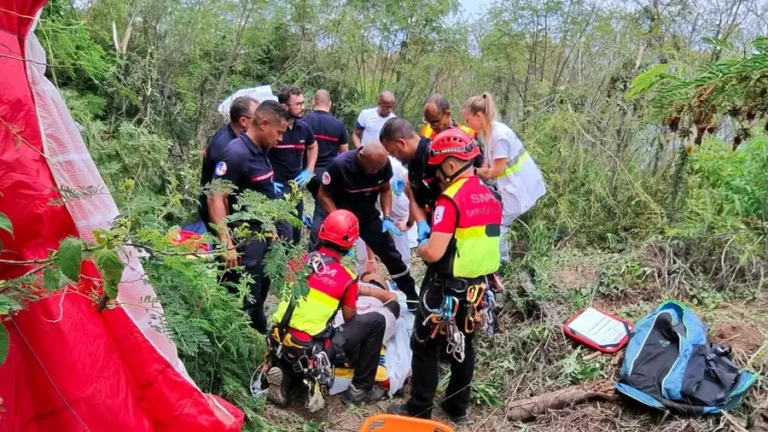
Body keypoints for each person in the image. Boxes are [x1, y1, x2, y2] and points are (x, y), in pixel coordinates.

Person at [388, 129, 502, 424]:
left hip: (444, 287)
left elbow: (435, 252)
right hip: (477, 287)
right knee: (464, 345)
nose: (437, 174)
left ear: (450, 165)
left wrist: (422, 247)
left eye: (438, 167)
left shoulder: (450, 199)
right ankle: (457, 408)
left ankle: (420, 407)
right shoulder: (491, 193)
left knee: (425, 345)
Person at [267, 209, 388, 406]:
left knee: (302, 333)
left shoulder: (297, 261)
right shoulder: (347, 278)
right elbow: (350, 318)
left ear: (322, 232)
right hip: (310, 348)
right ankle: (360, 390)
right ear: (350, 243)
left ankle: (286, 377)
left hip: (279, 338)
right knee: (375, 321)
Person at [207, 100, 290, 334]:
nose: (280, 139)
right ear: (264, 124)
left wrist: (270, 226)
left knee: (259, 294)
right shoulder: (236, 153)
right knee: (243, 302)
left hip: (261, 239)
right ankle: (236, 350)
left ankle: (255, 344)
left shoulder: (261, 150)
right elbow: (215, 197)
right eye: (279, 132)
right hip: (242, 242)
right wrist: (226, 244)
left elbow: (261, 192)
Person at [316, 141, 419, 307]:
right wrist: (337, 219)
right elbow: (323, 195)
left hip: (368, 217)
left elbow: (385, 189)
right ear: (361, 156)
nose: (375, 172)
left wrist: (386, 217)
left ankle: (412, 296)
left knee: (391, 255)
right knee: (325, 256)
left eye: (379, 168)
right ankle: (320, 296)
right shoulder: (340, 165)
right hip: (341, 217)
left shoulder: (383, 166)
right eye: (372, 168)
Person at [462, 92, 546, 261]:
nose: (467, 124)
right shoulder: (489, 132)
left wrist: (473, 172)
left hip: (519, 186)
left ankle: (503, 261)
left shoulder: (499, 136)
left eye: (468, 120)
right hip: (512, 185)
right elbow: (488, 162)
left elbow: (497, 170)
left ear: (479, 116)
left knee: (497, 224)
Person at [199, 96, 259, 234]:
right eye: (256, 117)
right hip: (220, 211)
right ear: (243, 121)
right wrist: (227, 234)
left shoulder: (238, 138)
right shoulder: (224, 148)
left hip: (236, 207)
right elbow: (219, 196)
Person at [272, 85, 319, 243]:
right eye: (298, 104)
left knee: (296, 234)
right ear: (284, 106)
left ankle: (291, 267)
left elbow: (313, 146)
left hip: (295, 188)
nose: (303, 107)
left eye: (303, 103)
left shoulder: (304, 128)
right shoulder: (274, 129)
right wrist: (267, 181)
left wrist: (309, 169)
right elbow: (258, 154)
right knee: (284, 235)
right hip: (276, 189)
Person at [303, 90, 349, 250]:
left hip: (306, 173)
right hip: (328, 176)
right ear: (330, 104)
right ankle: (315, 251)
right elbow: (344, 155)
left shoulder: (304, 122)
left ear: (312, 102)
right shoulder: (338, 125)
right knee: (320, 213)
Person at [353, 155, 412, 275]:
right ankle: (363, 270)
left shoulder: (396, 169)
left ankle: (404, 270)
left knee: (399, 228)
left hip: (397, 195)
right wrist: (370, 259)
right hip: (372, 199)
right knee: (361, 230)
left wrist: (408, 222)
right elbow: (365, 221)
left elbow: (414, 198)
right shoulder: (356, 172)